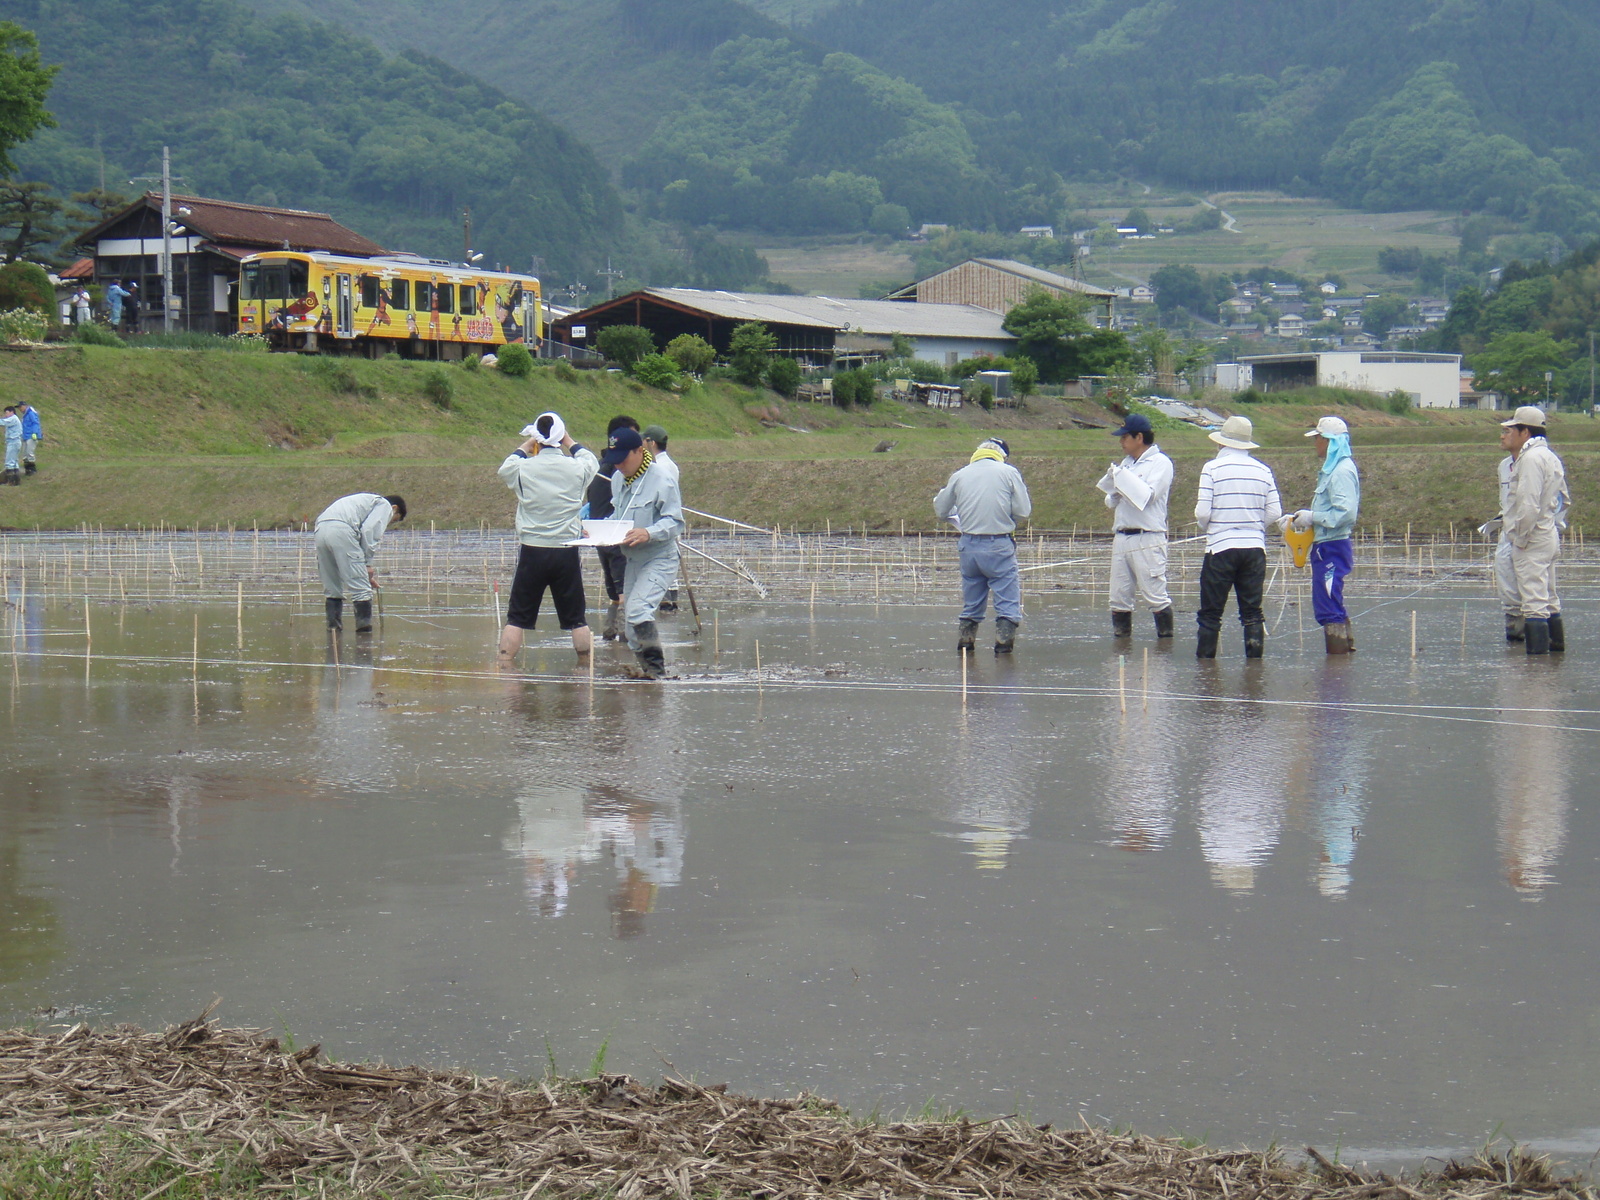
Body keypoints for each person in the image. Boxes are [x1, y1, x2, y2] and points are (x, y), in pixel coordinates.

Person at [496, 411, 598, 664]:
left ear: (537, 440)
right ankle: (585, 669)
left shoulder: (524, 467)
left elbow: (505, 468)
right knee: (577, 618)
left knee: (517, 617)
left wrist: (527, 444)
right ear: (560, 435)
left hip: (533, 550)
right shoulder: (577, 467)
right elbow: (590, 459)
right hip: (566, 550)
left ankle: (505, 667)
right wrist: (568, 439)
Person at [932, 437, 1032, 654]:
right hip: (998, 544)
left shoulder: (960, 475)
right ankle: (1004, 651)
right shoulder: (1009, 473)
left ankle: (966, 646)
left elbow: (941, 510)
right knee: (1007, 603)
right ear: (1002, 455)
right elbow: (1024, 511)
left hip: (968, 546)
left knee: (972, 602)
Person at [1194, 414, 1282, 659]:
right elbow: (1275, 511)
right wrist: (1253, 527)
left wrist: (1211, 528)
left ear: (1221, 443)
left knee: (1211, 614)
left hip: (1220, 548)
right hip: (1254, 550)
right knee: (1252, 612)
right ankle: (1254, 672)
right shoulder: (1263, 470)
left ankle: (1206, 672)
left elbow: (1202, 512)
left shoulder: (1211, 468)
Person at [605, 426, 685, 678]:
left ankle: (657, 672)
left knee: (639, 610)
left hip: (660, 557)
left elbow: (675, 521)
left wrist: (648, 532)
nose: (618, 466)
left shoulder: (662, 478)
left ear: (639, 451)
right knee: (630, 626)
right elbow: (619, 517)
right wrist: (600, 529)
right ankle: (645, 673)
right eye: (614, 461)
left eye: (623, 460)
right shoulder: (618, 479)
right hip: (633, 559)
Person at [1288, 415, 1361, 654]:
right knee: (1329, 600)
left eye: (1318, 438)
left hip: (1333, 546)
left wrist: (1314, 517)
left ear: (1329, 441)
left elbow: (1346, 513)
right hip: (1325, 544)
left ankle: (1336, 665)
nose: (1315, 443)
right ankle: (1341, 663)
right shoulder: (1333, 469)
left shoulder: (1340, 472)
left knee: (1327, 603)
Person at [1098, 413, 1174, 639]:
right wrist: (1114, 488)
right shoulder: (1126, 463)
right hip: (1122, 536)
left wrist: (1125, 484)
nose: (1121, 442)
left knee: (1155, 595)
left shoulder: (1160, 463)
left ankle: (1164, 649)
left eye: (1125, 437)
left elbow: (1148, 496)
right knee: (1119, 597)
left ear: (1139, 437)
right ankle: (1122, 653)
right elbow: (1111, 500)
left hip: (1148, 537)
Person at [1500, 406, 1569, 655]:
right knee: (1549, 597)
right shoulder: (1549, 456)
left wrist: (1520, 537)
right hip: (1548, 532)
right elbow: (1564, 499)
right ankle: (1556, 654)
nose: (1503, 435)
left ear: (1525, 432)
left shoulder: (1529, 460)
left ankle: (1537, 668)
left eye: (1510, 429)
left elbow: (1527, 505)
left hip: (1533, 537)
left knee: (1533, 603)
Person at [314, 492, 407, 632]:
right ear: (394, 508)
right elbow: (370, 530)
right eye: (393, 519)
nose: (389, 522)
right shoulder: (384, 505)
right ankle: (364, 632)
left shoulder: (363, 501)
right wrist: (367, 564)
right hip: (342, 529)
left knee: (331, 584)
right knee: (361, 588)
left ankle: (333, 630)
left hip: (320, 528)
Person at [588, 415, 639, 641]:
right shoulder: (616, 469)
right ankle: (626, 637)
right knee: (623, 591)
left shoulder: (601, 464)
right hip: (614, 536)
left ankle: (610, 634)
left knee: (615, 591)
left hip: (601, 535)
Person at [641, 424, 681, 613]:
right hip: (668, 521)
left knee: (660, 561)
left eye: (644, 440)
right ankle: (668, 602)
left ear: (652, 443)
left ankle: (665, 601)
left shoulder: (659, 467)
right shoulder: (669, 464)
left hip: (661, 522)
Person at [17, 400, 40, 476]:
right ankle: (27, 469)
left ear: (24, 406)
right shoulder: (25, 415)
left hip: (31, 436)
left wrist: (34, 433)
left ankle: (32, 470)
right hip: (26, 436)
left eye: (20, 407)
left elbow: (35, 423)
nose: (20, 409)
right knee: (25, 453)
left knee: (29, 452)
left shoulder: (31, 413)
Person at [1, 406, 21, 485]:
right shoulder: (14, 419)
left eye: (6, 412)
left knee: (9, 462)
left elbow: (3, 422)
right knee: (14, 461)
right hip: (14, 441)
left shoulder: (13, 418)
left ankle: (11, 481)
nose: (5, 415)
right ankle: (16, 480)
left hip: (13, 441)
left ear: (11, 412)